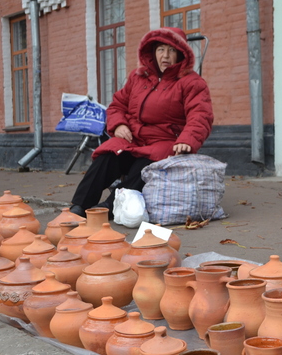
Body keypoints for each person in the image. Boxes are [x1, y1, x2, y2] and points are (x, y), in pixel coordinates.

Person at [69, 27, 214, 217]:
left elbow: (200, 115)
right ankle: (79, 205)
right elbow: (117, 106)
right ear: (152, 51)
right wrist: (119, 125)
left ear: (180, 53)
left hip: (167, 141)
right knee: (108, 155)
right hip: (134, 139)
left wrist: (187, 140)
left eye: (171, 50)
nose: (165, 55)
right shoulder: (137, 77)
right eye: (161, 49)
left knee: (145, 166)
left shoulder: (192, 82)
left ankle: (111, 207)